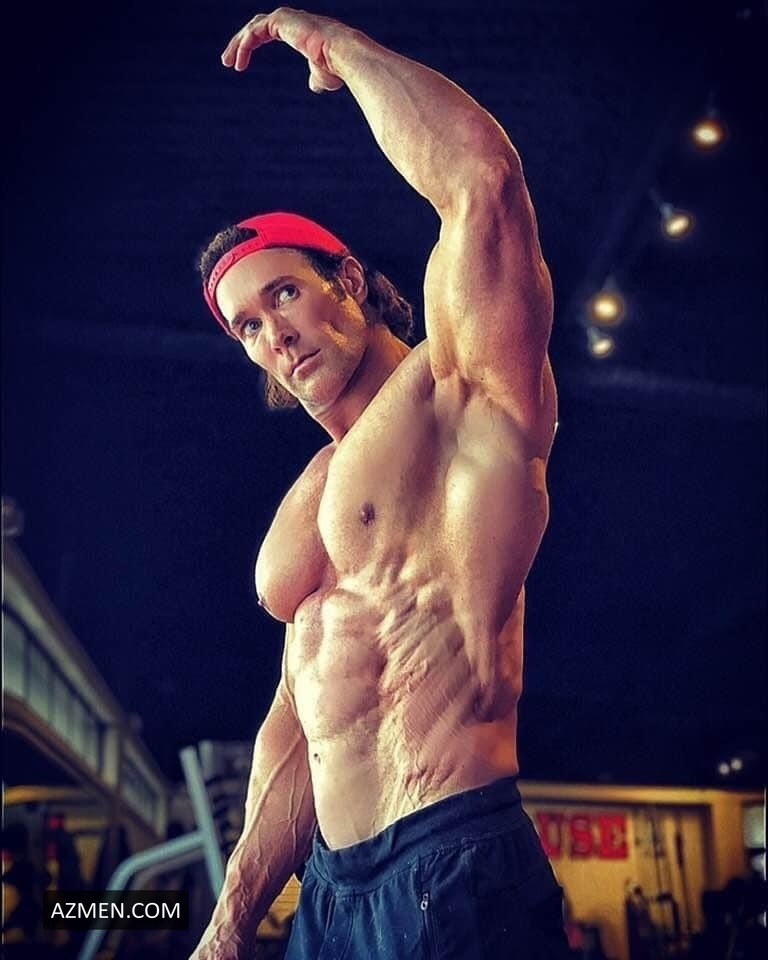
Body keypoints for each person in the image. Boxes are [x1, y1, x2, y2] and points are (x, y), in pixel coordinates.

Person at [191, 8, 565, 959]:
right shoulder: (314, 494)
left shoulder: (454, 391)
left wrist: (340, 50)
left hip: (451, 860)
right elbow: (298, 726)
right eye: (246, 325)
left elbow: (483, 184)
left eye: (284, 291)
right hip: (330, 895)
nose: (272, 333)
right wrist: (229, 924)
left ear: (348, 282)